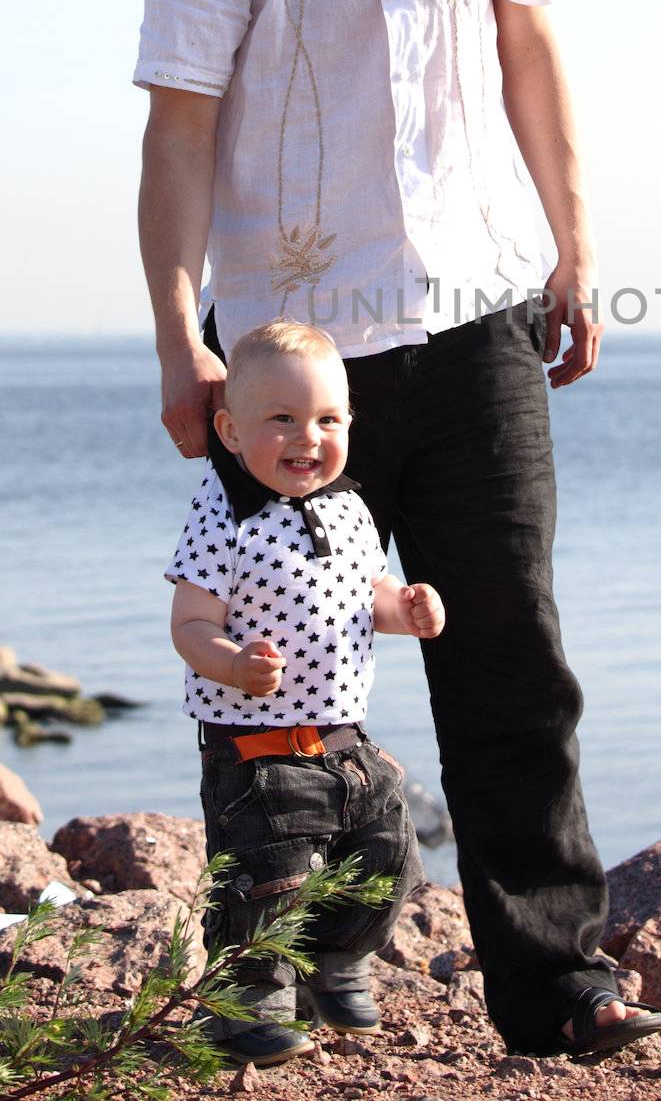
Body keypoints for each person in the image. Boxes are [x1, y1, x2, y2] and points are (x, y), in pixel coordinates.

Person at [137, 0, 661, 1059]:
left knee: (509, 656)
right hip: (291, 357)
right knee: (268, 687)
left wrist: (572, 246)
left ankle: (556, 991)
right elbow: (177, 134)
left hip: (477, 314)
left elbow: (525, 47)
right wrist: (182, 334)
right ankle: (259, 982)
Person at [168, 319, 444, 1067]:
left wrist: (407, 611)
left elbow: (370, 596)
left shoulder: (350, 507)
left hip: (344, 741)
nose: (307, 438)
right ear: (229, 429)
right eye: (281, 420)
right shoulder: (223, 515)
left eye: (327, 420)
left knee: (384, 852)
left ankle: (338, 960)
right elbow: (190, 623)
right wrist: (231, 662)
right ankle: (245, 1003)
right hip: (254, 749)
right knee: (266, 875)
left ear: (350, 424)